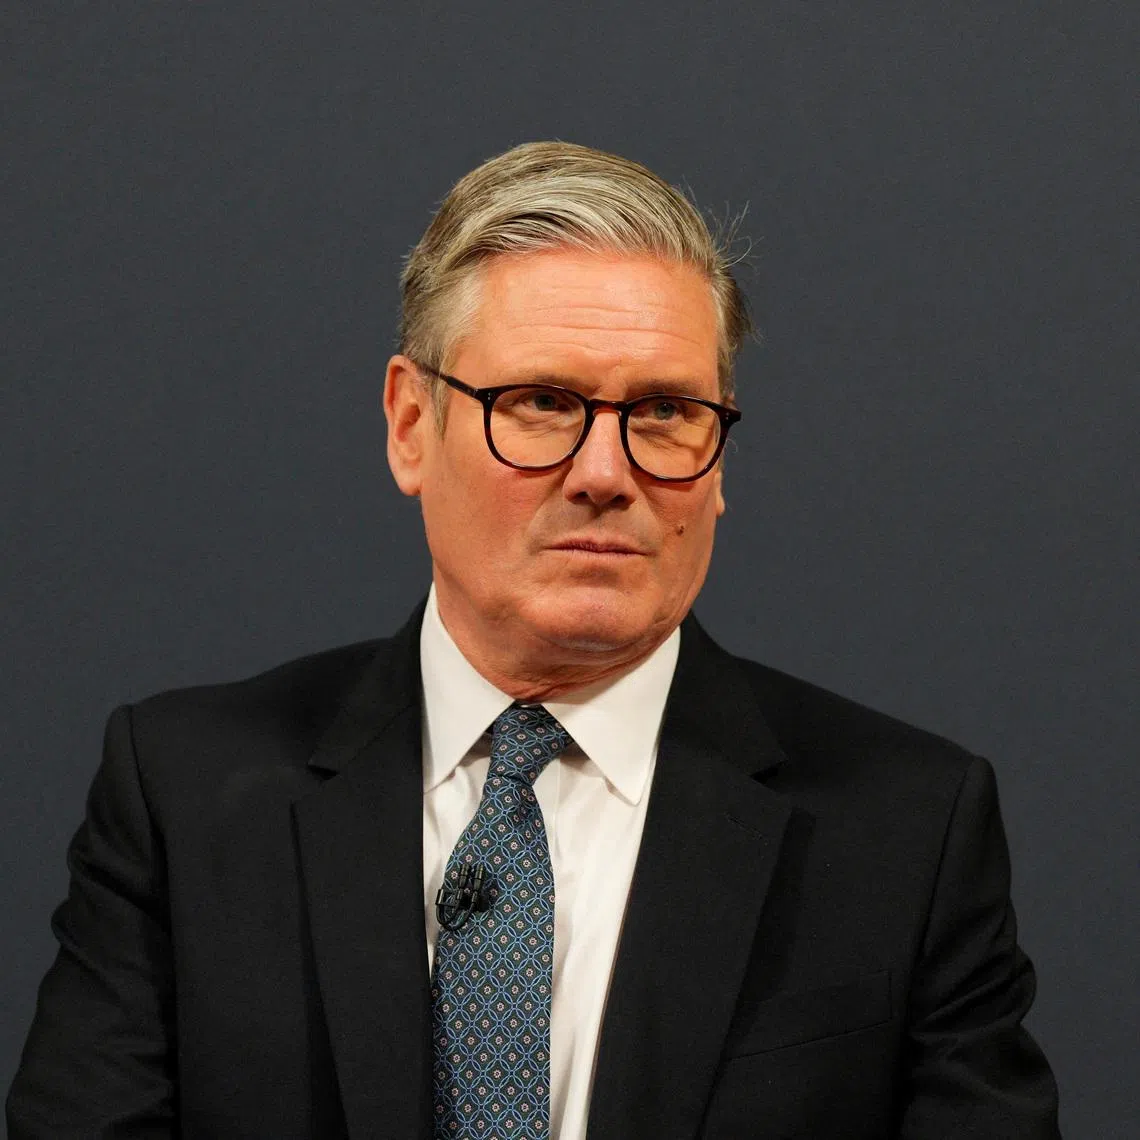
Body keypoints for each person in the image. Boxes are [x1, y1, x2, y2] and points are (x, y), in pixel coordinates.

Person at [7, 141, 1061, 1139]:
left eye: (663, 413)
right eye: (544, 403)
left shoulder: (907, 828)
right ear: (410, 426)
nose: (606, 472)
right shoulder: (185, 796)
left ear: (721, 453)